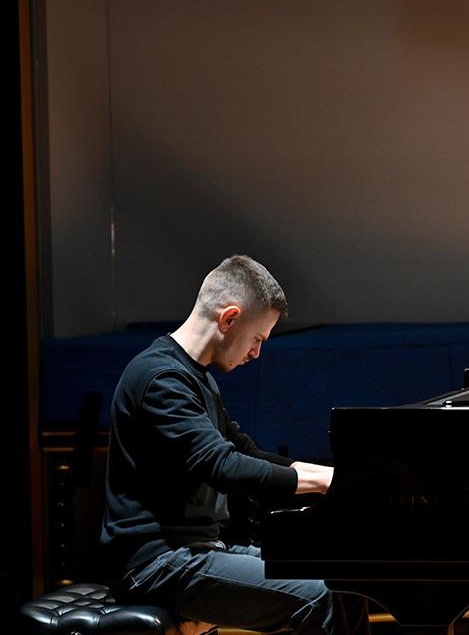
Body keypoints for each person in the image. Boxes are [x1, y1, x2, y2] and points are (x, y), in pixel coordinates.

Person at [100, 255, 368, 635]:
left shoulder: (197, 378)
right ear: (228, 318)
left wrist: (342, 476)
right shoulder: (160, 379)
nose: (256, 353)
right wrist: (331, 485)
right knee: (319, 594)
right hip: (154, 563)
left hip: (194, 552)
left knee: (342, 579)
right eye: (257, 338)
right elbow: (223, 467)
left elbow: (246, 452)